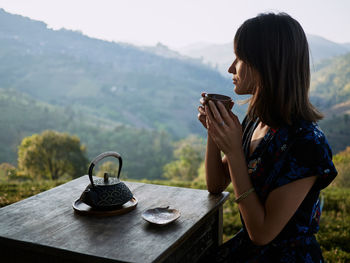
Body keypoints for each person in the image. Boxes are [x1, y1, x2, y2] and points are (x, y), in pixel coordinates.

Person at [197, 12, 337, 262]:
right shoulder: (256, 121)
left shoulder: (307, 144)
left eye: (239, 58)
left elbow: (261, 233)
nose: (231, 67)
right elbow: (216, 184)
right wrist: (214, 130)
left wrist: (233, 152)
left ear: (265, 65)